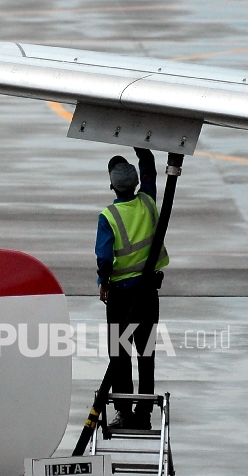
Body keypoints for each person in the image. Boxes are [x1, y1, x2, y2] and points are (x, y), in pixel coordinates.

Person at [96, 147, 168, 430]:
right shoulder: (148, 202)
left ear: (112, 185)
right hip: (148, 294)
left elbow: (104, 256)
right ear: (137, 183)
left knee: (120, 354)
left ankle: (124, 412)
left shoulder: (109, 216)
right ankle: (145, 414)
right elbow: (149, 164)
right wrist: (139, 140)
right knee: (146, 353)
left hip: (121, 296)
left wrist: (103, 282)